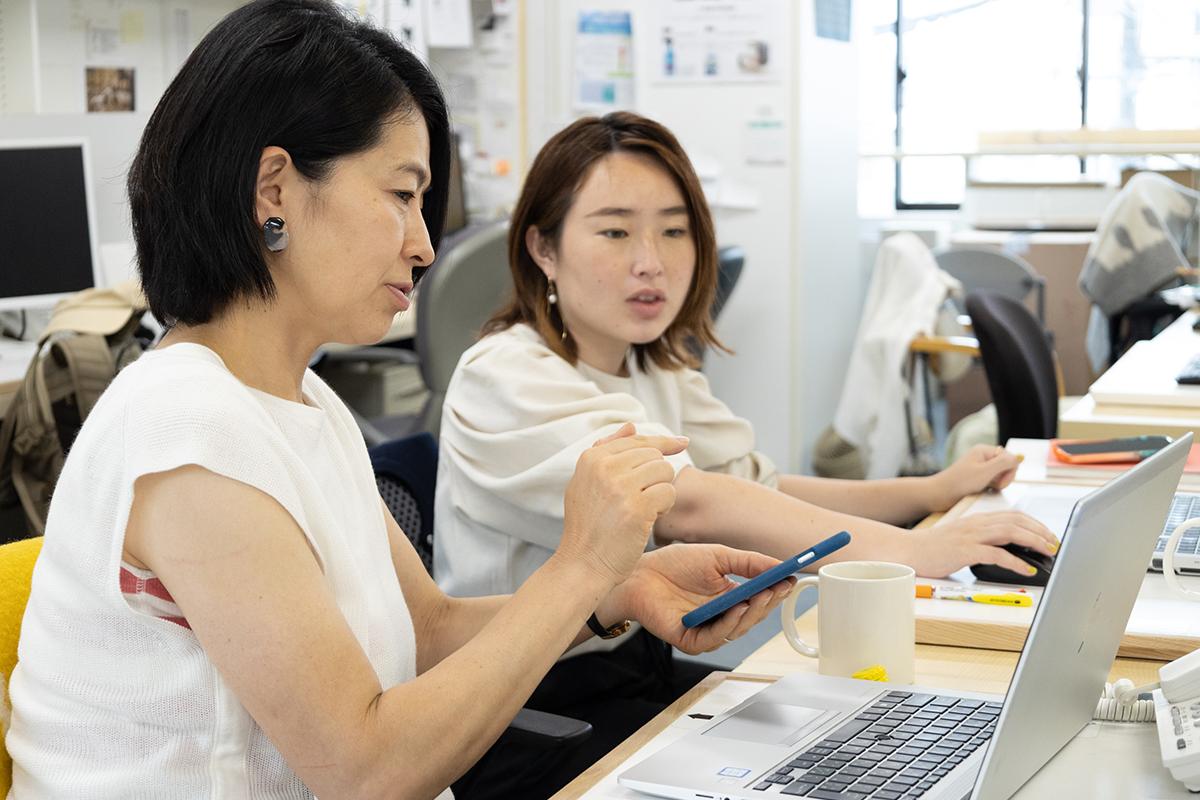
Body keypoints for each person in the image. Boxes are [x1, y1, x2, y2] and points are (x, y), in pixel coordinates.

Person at [3, 7, 792, 798]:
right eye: (401, 194)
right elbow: (365, 772)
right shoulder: (188, 431)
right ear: (273, 190)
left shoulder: (300, 398)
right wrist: (580, 564)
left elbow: (428, 630)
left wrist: (616, 589)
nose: (423, 244)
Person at [433, 111, 1060, 797]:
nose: (652, 260)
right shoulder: (505, 374)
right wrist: (918, 551)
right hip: (523, 717)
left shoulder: (652, 367)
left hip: (635, 675)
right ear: (542, 249)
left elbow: (759, 487)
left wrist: (928, 495)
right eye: (614, 231)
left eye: (674, 231)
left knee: (877, 740)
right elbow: (693, 507)